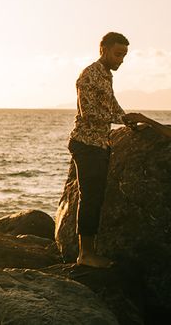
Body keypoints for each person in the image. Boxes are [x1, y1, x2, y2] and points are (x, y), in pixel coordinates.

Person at [67, 32, 159, 267]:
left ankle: (89, 251)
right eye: (118, 54)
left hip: (100, 143)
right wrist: (119, 119)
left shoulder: (106, 75)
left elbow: (112, 105)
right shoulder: (89, 75)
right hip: (86, 144)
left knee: (96, 198)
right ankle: (85, 255)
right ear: (103, 50)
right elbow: (89, 114)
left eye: (124, 56)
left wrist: (127, 118)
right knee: (90, 198)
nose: (121, 60)